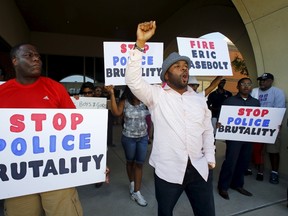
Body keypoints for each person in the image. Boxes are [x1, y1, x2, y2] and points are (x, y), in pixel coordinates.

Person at [126, 21, 216, 216]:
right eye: (177, 66)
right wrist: (140, 43)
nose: (184, 69)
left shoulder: (199, 99)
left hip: (200, 170)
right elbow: (133, 81)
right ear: (166, 75)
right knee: (165, 213)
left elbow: (207, 130)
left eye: (186, 66)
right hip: (168, 172)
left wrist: (210, 157)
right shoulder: (156, 95)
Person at [0, 43, 83, 216]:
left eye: (37, 55)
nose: (36, 58)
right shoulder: (2, 92)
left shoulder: (55, 88)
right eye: (29, 55)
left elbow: (76, 129)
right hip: (18, 177)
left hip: (56, 171)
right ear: (15, 61)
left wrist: (94, 164)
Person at [104, 85, 150, 207]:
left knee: (139, 164)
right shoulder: (125, 101)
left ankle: (136, 192)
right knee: (130, 162)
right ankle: (132, 183)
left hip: (143, 138)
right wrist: (112, 94)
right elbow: (116, 112)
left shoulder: (145, 101)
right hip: (129, 138)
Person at [217, 78, 260, 200]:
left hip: (249, 137)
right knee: (231, 161)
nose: (246, 86)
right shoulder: (229, 101)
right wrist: (219, 124)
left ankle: (237, 184)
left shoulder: (256, 103)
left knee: (244, 161)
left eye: (248, 84)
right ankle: (223, 187)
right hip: (234, 137)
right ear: (237, 87)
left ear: (251, 87)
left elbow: (260, 120)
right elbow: (221, 118)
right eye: (243, 84)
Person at [251, 72, 285, 184]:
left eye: (264, 80)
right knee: (257, 149)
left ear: (271, 81)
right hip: (256, 126)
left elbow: (278, 111)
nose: (262, 82)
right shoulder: (254, 91)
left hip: (272, 126)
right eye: (260, 80)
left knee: (273, 151)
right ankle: (258, 170)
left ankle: (274, 173)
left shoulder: (278, 92)